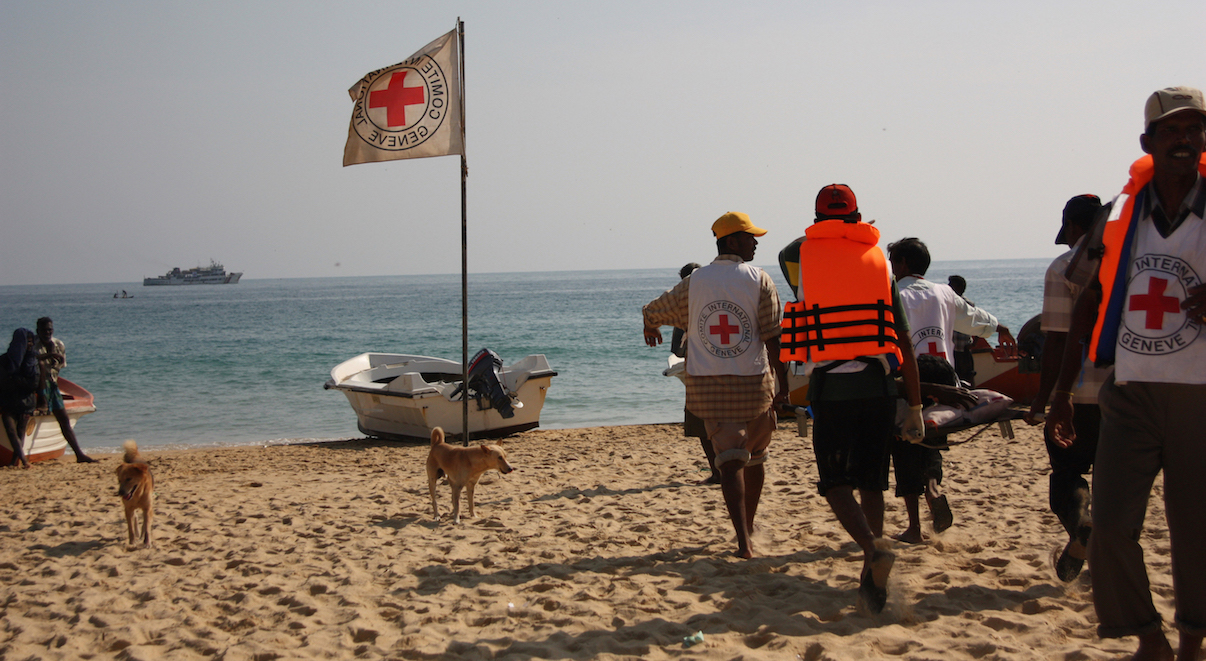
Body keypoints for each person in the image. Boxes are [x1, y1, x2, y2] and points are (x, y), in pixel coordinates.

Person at [1047, 86, 1206, 661]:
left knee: (1195, 532)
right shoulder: (1119, 215)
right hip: (1128, 390)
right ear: (1149, 142)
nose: (1185, 139)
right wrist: (1062, 392)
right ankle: (1147, 637)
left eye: (1195, 129)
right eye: (1172, 130)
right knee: (1111, 527)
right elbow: (1086, 301)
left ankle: (1190, 643)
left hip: (1199, 394)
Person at [779, 185, 924, 613]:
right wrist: (914, 406)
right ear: (858, 215)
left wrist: (832, 231)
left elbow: (794, 244)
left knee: (834, 482)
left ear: (817, 220)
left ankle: (872, 546)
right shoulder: (881, 263)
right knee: (871, 482)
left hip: (832, 389)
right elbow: (905, 342)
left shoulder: (802, 259)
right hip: (879, 388)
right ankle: (869, 577)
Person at [643, 212, 788, 559]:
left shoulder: (695, 281)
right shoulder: (759, 279)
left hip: (708, 386)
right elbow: (772, 338)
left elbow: (654, 309)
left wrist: (650, 327)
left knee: (730, 461)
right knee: (754, 460)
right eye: (751, 237)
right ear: (733, 241)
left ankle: (743, 541)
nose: (756, 242)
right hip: (755, 384)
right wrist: (783, 385)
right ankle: (747, 532)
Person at [886, 237, 1017, 543]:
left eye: (893, 262)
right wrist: (1000, 328)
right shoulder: (944, 293)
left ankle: (915, 528)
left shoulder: (894, 294)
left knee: (905, 444)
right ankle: (933, 488)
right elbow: (973, 319)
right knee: (933, 436)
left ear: (902, 263)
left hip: (914, 380)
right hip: (947, 380)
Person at [1022, 194, 1109, 582]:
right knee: (1116, 475)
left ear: (1074, 227)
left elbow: (1056, 339)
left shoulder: (1062, 268)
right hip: (1128, 390)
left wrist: (1045, 398)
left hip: (1078, 392)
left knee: (1067, 472)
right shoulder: (1127, 262)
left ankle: (1081, 525)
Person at [668, 262, 717, 485]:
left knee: (702, 426)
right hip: (726, 373)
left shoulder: (686, 310)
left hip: (698, 375)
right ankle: (726, 471)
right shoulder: (720, 302)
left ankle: (718, 473)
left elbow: (677, 349)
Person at [34, 318, 95, 463]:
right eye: (44, 330)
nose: (47, 333)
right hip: (35, 385)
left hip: (52, 385)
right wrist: (48, 355)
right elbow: (32, 361)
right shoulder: (32, 345)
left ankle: (79, 454)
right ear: (38, 331)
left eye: (50, 330)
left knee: (63, 419)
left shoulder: (58, 345)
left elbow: (59, 368)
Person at [1, 329, 39, 468]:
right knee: (11, 431)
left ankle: (14, 461)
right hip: (8, 401)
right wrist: (19, 381)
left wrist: (15, 379)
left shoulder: (32, 362)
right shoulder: (5, 360)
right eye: (26, 341)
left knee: (20, 432)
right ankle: (23, 461)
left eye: (31, 342)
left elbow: (33, 384)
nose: (29, 345)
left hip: (25, 402)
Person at [946, 275, 977, 385]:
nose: (948, 287)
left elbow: (976, 323)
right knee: (957, 375)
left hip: (962, 347)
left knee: (967, 375)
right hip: (954, 346)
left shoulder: (967, 304)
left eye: (951, 285)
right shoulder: (948, 303)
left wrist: (974, 343)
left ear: (959, 287)